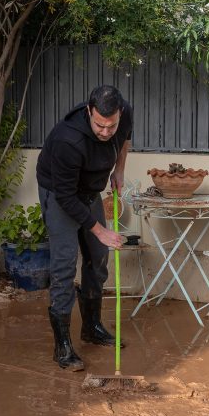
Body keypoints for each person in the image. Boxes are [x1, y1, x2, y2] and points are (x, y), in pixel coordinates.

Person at [35, 85, 131, 371]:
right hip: (60, 193)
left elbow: (124, 138)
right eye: (100, 125)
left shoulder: (122, 117)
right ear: (89, 112)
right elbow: (65, 196)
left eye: (111, 125)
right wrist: (99, 229)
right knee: (64, 265)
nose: (105, 132)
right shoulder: (69, 139)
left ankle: (91, 327)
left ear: (119, 113)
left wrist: (119, 169)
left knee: (98, 257)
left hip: (89, 190)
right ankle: (62, 345)